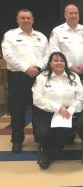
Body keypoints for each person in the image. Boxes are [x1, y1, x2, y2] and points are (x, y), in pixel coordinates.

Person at [1, 9, 49, 153]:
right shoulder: (10, 35)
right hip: (18, 78)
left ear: (33, 20)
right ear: (17, 19)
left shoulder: (41, 36)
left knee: (39, 110)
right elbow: (8, 55)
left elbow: (48, 55)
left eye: (28, 18)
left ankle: (39, 138)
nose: (26, 20)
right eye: (22, 18)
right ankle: (17, 140)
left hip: (39, 76)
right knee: (18, 111)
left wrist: (39, 67)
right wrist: (26, 69)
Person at [32, 52, 83, 169]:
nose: (59, 63)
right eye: (55, 60)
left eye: (61, 60)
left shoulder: (74, 77)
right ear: (50, 63)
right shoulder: (42, 77)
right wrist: (58, 108)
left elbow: (80, 98)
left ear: (65, 63)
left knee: (64, 133)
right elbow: (37, 99)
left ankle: (47, 155)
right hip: (47, 112)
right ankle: (51, 149)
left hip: (68, 113)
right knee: (42, 134)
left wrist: (71, 109)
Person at [49, 4, 83, 80]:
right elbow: (54, 52)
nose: (74, 15)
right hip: (64, 71)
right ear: (65, 15)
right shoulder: (57, 31)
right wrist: (69, 66)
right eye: (71, 13)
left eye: (76, 13)